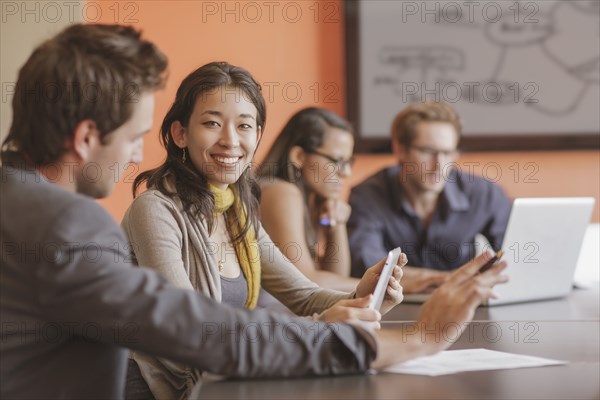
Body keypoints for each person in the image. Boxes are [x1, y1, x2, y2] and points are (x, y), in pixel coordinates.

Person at [0, 23, 508, 400]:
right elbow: (195, 331)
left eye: (245, 126)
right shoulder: (69, 225)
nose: (137, 155)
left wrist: (357, 296)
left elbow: (292, 297)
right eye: (134, 138)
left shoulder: (17, 201)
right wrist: (415, 339)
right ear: (87, 137)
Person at [122, 65, 405, 399]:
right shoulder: (155, 209)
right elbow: (188, 328)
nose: (230, 140)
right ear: (181, 133)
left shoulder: (237, 213)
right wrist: (319, 327)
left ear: (257, 135)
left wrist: (365, 298)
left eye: (244, 125)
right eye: (212, 123)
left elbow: (305, 295)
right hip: (159, 389)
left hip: (224, 381)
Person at [348, 101, 512, 294]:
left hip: (460, 307)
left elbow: (515, 256)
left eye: (448, 152)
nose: (439, 164)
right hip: (390, 311)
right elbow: (366, 265)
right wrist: (444, 279)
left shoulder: (483, 193)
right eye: (428, 152)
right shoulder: (368, 195)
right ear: (400, 149)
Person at [258, 107, 358, 292]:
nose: (346, 173)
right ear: (299, 156)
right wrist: (382, 285)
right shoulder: (280, 191)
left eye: (349, 162)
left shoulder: (314, 200)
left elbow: (337, 281)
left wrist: (338, 224)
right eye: (337, 161)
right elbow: (305, 282)